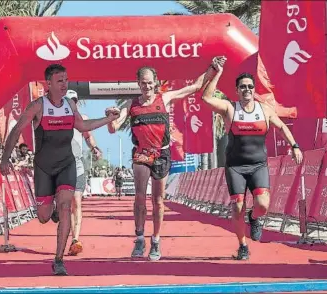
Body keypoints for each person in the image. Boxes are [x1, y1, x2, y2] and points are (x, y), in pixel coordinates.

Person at [0, 64, 119, 276]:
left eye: (66, 80)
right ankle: (51, 208)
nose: (65, 85)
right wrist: (4, 159)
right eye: (60, 81)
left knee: (66, 207)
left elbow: (83, 127)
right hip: (44, 167)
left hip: (67, 163)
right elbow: (17, 129)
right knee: (44, 217)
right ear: (49, 84)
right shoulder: (37, 106)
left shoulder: (70, 107)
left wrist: (108, 120)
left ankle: (59, 260)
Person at [107, 61, 219, 261]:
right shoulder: (131, 105)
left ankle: (156, 240)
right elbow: (114, 127)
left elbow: (193, 87)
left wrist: (211, 69)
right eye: (143, 83)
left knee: (158, 201)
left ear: (155, 83)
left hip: (161, 154)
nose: (147, 87)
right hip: (141, 154)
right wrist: (109, 118)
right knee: (140, 197)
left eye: (150, 83)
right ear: (138, 83)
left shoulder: (164, 98)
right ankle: (140, 237)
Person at [201, 57, 303, 260]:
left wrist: (295, 146)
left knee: (263, 205)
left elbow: (281, 126)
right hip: (236, 167)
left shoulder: (264, 110)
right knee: (237, 205)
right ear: (237, 90)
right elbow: (206, 98)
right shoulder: (230, 109)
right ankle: (242, 245)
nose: (246, 90)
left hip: (258, 165)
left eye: (249, 87)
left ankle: (254, 218)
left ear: (253, 90)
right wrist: (217, 73)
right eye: (242, 87)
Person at [59, 89, 102, 256]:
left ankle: (75, 240)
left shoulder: (82, 119)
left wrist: (95, 149)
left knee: (76, 201)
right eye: (70, 101)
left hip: (77, 165)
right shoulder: (58, 119)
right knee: (68, 204)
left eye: (75, 101)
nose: (73, 104)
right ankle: (70, 236)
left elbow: (88, 137)